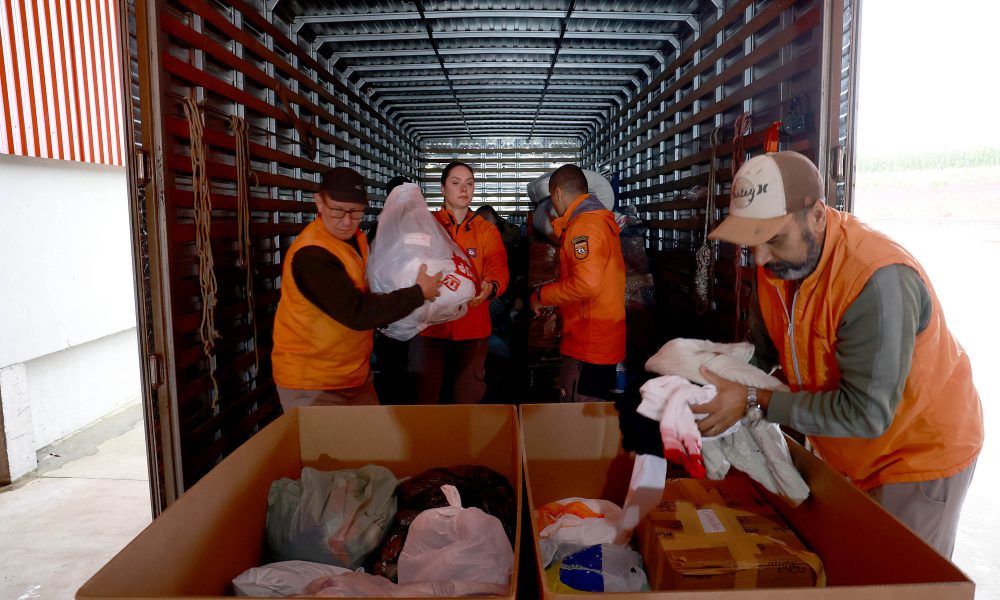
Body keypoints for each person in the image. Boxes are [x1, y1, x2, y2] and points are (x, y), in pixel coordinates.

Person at [694, 150, 983, 558]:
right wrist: (716, 379)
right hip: (846, 449)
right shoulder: (776, 265)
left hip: (915, 454)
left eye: (774, 239)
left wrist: (754, 400)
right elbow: (764, 350)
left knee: (901, 579)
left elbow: (867, 414)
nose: (760, 258)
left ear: (815, 213)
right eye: (752, 240)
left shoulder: (875, 279)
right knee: (850, 565)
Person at [271, 166, 442, 410]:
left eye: (356, 212)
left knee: (374, 446)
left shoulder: (357, 238)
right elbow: (357, 312)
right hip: (313, 384)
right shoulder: (311, 254)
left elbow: (364, 287)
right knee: (330, 449)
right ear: (319, 202)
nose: (347, 221)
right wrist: (417, 293)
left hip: (352, 376)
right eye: (337, 211)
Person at [409, 161, 509, 404]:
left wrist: (491, 286)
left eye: (469, 184)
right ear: (443, 189)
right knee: (426, 397)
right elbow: (409, 262)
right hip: (430, 327)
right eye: (456, 183)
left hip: (472, 327)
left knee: (468, 398)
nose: (464, 189)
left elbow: (498, 267)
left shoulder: (486, 230)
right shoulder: (425, 224)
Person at [529, 164, 626, 402]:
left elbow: (586, 285)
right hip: (598, 339)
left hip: (589, 346)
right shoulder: (596, 222)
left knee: (577, 418)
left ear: (558, 193)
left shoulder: (585, 227)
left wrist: (542, 295)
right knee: (591, 417)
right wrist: (559, 314)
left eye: (552, 198)